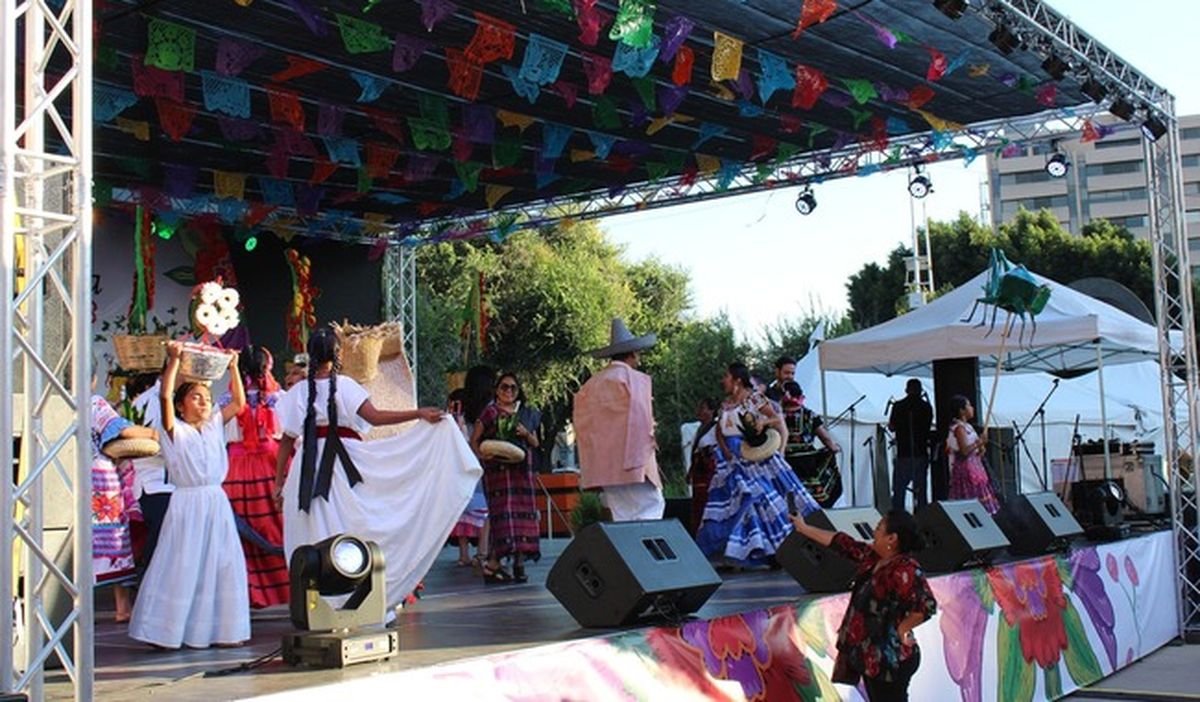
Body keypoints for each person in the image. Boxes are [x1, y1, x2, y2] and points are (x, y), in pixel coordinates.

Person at [272, 326, 482, 613]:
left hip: (305, 471)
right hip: (343, 465)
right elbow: (377, 417)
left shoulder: (296, 392)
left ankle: (318, 606)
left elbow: (286, 440)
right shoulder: (345, 387)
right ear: (337, 355)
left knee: (310, 532)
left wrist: (279, 481)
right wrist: (418, 413)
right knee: (356, 526)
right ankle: (359, 599)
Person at [129, 342, 250, 649]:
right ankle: (168, 631)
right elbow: (164, 396)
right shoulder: (175, 430)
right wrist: (174, 362)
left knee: (222, 562)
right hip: (187, 503)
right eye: (196, 398)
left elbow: (238, 402)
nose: (204, 403)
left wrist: (234, 368)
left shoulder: (212, 427)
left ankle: (225, 630)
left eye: (207, 398)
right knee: (183, 563)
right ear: (182, 406)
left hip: (215, 503)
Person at [789, 509, 936, 701]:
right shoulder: (874, 558)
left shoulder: (905, 569)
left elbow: (925, 607)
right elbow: (841, 543)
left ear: (892, 538)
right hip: (871, 656)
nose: (874, 532)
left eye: (878, 528)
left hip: (891, 659)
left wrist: (902, 629)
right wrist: (804, 528)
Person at [697, 363, 820, 567]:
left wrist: (768, 433)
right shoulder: (726, 403)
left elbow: (777, 419)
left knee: (761, 502)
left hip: (753, 455)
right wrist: (725, 451)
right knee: (735, 506)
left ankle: (779, 549)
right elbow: (719, 429)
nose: (723, 380)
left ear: (737, 379)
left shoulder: (753, 398)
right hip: (731, 460)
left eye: (726, 376)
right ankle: (742, 553)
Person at [573, 318, 664, 521]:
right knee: (651, 508)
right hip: (634, 461)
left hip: (604, 466)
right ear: (632, 353)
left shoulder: (589, 386)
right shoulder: (635, 380)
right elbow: (642, 421)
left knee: (620, 515)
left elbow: (582, 427)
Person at [222, 345, 289, 609]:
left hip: (235, 470)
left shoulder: (227, 401)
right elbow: (289, 434)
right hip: (272, 465)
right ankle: (287, 589)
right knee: (280, 525)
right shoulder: (279, 398)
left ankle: (251, 594)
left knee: (241, 535)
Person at [90, 380, 158, 623]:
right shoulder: (93, 403)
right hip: (99, 481)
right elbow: (120, 429)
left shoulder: (53, 406)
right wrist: (152, 433)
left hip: (66, 474)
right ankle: (122, 607)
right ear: (92, 379)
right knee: (113, 540)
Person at [471, 373, 542, 584]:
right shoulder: (490, 412)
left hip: (522, 472)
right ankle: (493, 564)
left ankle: (519, 564)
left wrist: (526, 434)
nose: (508, 391)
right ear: (497, 389)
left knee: (523, 517)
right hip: (499, 474)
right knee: (503, 517)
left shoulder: (525, 414)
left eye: (513, 388)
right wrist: (483, 455)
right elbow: (475, 440)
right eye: (504, 387)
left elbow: (536, 443)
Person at [779, 380, 843, 508]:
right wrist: (834, 448)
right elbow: (825, 437)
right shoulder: (809, 415)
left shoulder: (777, 415)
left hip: (785, 461)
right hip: (807, 463)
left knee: (788, 493)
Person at [447, 381, 489, 569]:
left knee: (463, 513)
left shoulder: (456, 421)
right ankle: (481, 552)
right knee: (482, 514)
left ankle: (465, 554)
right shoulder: (472, 420)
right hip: (473, 470)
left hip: (459, 472)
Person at [946, 395, 1001, 514]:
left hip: (976, 469)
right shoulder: (959, 429)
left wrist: (981, 446)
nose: (972, 408)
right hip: (965, 471)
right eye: (969, 406)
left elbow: (979, 452)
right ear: (962, 411)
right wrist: (978, 443)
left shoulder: (969, 427)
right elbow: (964, 451)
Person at [889, 379, 934, 512]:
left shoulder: (898, 406)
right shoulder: (926, 407)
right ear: (920, 390)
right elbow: (928, 427)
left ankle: (899, 518)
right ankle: (921, 518)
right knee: (921, 489)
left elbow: (892, 427)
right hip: (921, 452)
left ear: (906, 390)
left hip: (904, 452)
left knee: (899, 489)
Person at [686, 397, 720, 536]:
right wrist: (690, 471)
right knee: (697, 504)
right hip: (698, 470)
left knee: (706, 503)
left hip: (708, 471)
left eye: (703, 408)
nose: (699, 411)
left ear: (712, 411)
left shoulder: (716, 428)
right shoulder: (700, 429)